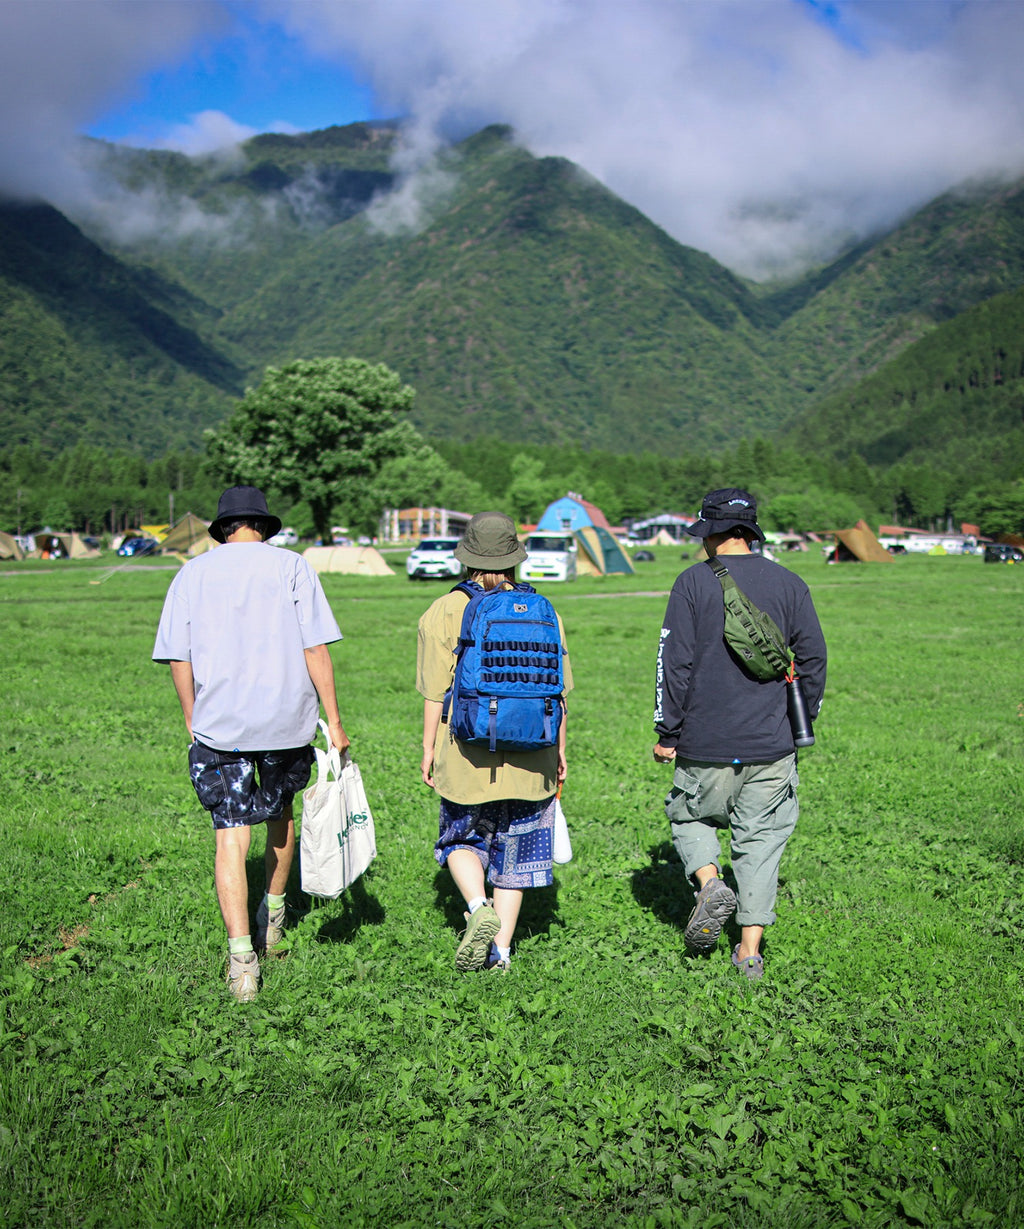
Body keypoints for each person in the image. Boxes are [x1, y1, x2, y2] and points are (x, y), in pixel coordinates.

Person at [153, 486, 349, 1002]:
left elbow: (178, 658)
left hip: (221, 726)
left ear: (222, 528)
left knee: (230, 833)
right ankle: (275, 919)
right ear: (263, 527)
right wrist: (334, 720)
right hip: (287, 722)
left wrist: (194, 719)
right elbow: (315, 648)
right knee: (281, 813)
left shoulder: (191, 573)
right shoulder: (293, 568)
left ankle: (242, 963)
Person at [652, 488, 826, 979]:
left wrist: (669, 731)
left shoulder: (690, 583)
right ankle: (749, 951)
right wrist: (801, 719)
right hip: (771, 744)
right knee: (762, 841)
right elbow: (813, 659)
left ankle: (710, 884)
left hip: (703, 741)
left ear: (710, 533)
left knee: (689, 817)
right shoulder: (791, 583)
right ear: (749, 532)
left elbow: (674, 665)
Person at [417, 511, 571, 973]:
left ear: (466, 558)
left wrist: (428, 749)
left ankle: (477, 905)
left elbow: (433, 691)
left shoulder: (444, 610)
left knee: (461, 837)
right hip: (535, 751)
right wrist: (560, 750)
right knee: (518, 854)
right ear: (515, 560)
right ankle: (500, 953)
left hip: (466, 750)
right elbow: (557, 690)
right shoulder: (544, 610)